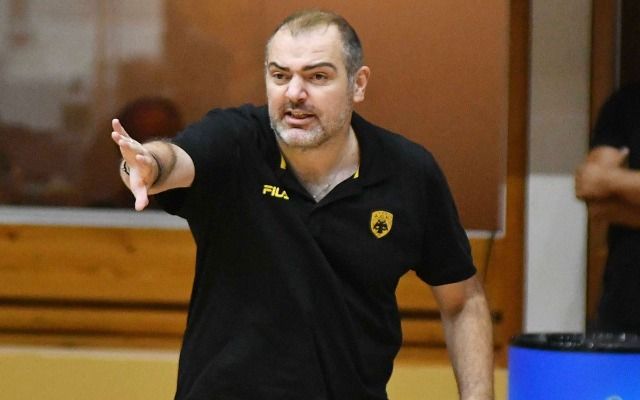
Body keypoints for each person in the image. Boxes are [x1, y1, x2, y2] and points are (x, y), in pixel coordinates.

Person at [111, 10, 494, 399]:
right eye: (280, 76)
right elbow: (175, 159)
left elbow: (463, 301)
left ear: (358, 84)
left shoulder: (407, 172)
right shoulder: (236, 142)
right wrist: (146, 165)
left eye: (317, 77)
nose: (294, 93)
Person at [575, 82, 640, 334]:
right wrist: (607, 183)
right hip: (624, 304)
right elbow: (593, 195)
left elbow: (600, 180)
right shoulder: (625, 103)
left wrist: (611, 180)